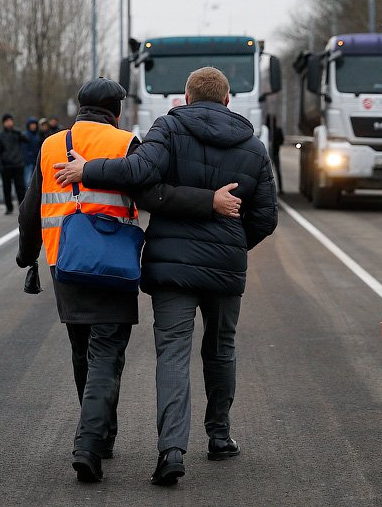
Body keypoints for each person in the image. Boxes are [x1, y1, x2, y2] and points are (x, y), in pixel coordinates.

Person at [55, 67, 278, 486]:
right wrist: (230, 245)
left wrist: (89, 171)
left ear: (186, 98)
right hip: (226, 267)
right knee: (221, 348)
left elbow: (138, 176)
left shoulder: (169, 129)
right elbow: (265, 217)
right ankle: (219, 436)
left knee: (173, 354)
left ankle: (171, 452)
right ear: (228, 100)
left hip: (171, 266)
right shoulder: (253, 146)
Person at [15, 77, 242, 483]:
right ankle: (89, 443)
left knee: (81, 350)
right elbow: (155, 197)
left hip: (64, 262)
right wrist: (209, 202)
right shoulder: (125, 145)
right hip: (112, 265)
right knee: (106, 353)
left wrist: (27, 258)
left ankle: (101, 438)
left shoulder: (51, 145)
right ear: (116, 112)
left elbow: (30, 211)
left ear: (80, 107)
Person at [0, 113, 27, 215]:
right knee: (6, 188)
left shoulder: (16, 133)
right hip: (6, 166)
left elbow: (27, 140)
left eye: (10, 121)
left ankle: (22, 207)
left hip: (18, 164)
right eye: (7, 121)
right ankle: (9, 207)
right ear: (4, 123)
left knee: (20, 188)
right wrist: (0, 166)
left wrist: (19, 133)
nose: (9, 123)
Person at [22, 117, 43, 189]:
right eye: (32, 125)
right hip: (29, 162)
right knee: (28, 181)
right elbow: (24, 149)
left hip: (37, 161)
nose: (33, 126)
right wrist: (28, 158)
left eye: (34, 125)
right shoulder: (26, 136)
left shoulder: (38, 136)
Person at [266, 114, 285, 195]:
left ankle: (280, 189)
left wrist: (275, 144)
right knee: (267, 173)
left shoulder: (277, 130)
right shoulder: (266, 130)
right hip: (268, 154)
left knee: (277, 171)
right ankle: (268, 188)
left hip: (275, 153)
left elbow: (281, 140)